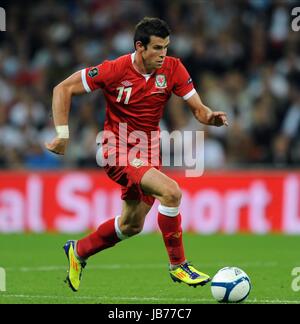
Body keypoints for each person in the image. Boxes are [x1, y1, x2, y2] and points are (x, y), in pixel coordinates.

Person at [45, 17, 228, 292]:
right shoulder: (114, 70)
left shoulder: (173, 68)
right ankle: (178, 266)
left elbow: (199, 109)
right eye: (157, 48)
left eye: (166, 47)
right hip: (115, 148)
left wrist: (209, 117)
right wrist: (62, 133)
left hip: (149, 151)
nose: (163, 54)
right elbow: (64, 88)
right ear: (139, 47)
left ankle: (78, 251)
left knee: (131, 225)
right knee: (172, 192)